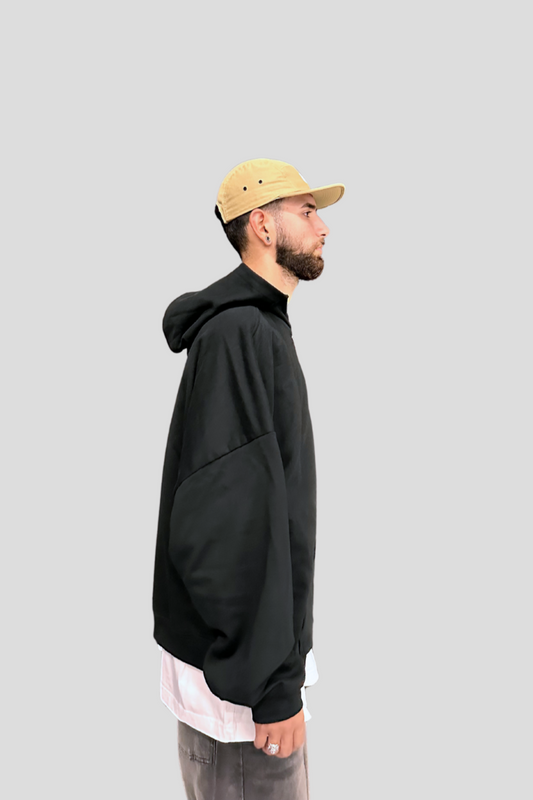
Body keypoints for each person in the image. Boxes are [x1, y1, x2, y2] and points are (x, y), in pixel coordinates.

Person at [152, 158, 345, 799]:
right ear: (262, 225)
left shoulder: (258, 328)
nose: (324, 227)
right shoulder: (241, 334)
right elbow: (227, 526)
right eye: (307, 212)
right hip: (242, 695)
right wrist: (272, 688)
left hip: (250, 673)